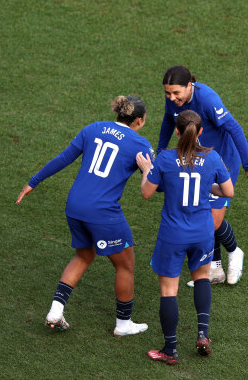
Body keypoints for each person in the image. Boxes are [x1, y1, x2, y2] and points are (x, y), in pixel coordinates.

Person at [16, 95, 154, 336]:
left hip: (75, 206)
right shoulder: (140, 145)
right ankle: (123, 324)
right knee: (125, 265)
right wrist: (149, 170)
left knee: (83, 255)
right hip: (102, 212)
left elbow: (63, 158)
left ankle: (55, 311)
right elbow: (153, 185)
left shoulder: (93, 129)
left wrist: (33, 182)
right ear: (139, 121)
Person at [136, 109, 234, 365]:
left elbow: (147, 192)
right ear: (200, 131)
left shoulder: (166, 159)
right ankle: (203, 334)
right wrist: (206, 185)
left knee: (169, 290)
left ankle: (170, 350)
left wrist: (147, 169)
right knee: (201, 278)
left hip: (173, 235)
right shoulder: (212, 158)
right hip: (202, 233)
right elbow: (228, 191)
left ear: (177, 132)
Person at [157, 65, 248, 286]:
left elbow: (234, 128)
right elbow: (169, 120)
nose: (172, 97)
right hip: (197, 161)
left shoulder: (207, 99)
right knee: (202, 212)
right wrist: (159, 151)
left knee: (212, 222)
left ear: (189, 86)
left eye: (176, 92)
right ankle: (215, 268)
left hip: (221, 162)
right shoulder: (173, 100)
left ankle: (235, 252)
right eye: (168, 93)